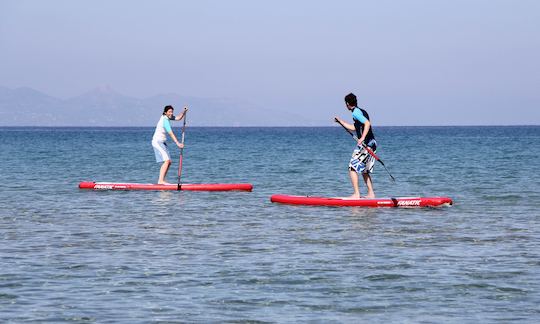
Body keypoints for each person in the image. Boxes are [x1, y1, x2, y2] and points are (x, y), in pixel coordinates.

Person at [335, 93, 377, 199]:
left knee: (352, 167)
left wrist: (362, 138)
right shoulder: (361, 111)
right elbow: (354, 128)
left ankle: (357, 194)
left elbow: (367, 123)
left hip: (366, 144)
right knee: (364, 170)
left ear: (348, 104)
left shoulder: (356, 113)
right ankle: (371, 194)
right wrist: (340, 121)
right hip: (372, 143)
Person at [152, 105, 188, 184]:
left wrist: (184, 111)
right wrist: (177, 143)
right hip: (157, 142)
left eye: (172, 112)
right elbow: (170, 133)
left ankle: (161, 180)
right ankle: (160, 181)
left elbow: (178, 118)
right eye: (169, 112)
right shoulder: (164, 119)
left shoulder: (168, 117)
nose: (171, 113)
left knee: (169, 162)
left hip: (163, 142)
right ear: (165, 112)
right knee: (167, 161)